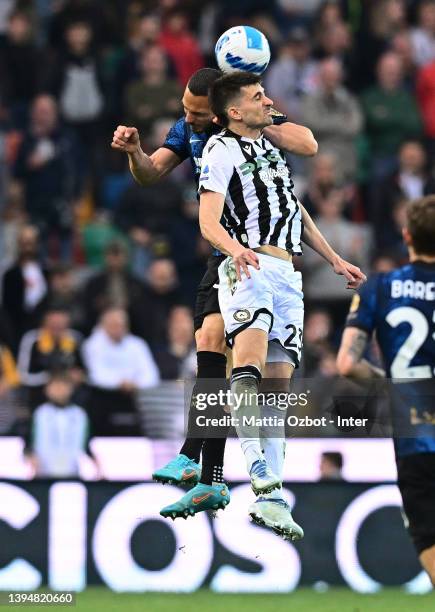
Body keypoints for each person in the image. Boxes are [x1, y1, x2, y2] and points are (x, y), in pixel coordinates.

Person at [111, 67, 318, 518]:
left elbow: (305, 146)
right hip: (226, 252)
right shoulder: (189, 130)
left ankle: (208, 472)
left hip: (253, 252)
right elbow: (149, 174)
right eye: (185, 110)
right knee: (210, 345)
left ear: (221, 114)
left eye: (197, 112)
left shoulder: (250, 130)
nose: (188, 119)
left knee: (232, 360)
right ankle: (206, 472)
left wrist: (265, 120)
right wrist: (134, 153)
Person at [177, 71, 365, 537]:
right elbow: (207, 219)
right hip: (250, 268)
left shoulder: (269, 148)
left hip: (288, 275)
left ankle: (272, 498)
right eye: (258, 96)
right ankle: (258, 470)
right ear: (235, 111)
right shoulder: (221, 150)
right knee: (249, 366)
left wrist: (335, 258)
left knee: (279, 390)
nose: (269, 101)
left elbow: (291, 208)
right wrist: (234, 248)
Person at [336, 195, 435, 585]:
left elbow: (346, 364)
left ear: (407, 234)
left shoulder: (382, 287)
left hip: (417, 437)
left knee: (429, 533)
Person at [82, 307, 159, 436]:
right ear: (103, 325)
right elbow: (96, 375)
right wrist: (120, 382)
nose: (117, 328)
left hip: (134, 399)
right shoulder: (92, 345)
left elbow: (152, 377)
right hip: (104, 400)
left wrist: (134, 384)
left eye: (121, 325)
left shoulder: (138, 344)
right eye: (113, 324)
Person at [29, 373, 95, 478]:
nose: (59, 390)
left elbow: (87, 443)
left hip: (74, 470)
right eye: (55, 386)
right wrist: (30, 457)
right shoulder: (40, 413)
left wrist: (94, 463)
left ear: (71, 389)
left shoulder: (79, 414)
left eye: (63, 386)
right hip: (43, 470)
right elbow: (28, 440)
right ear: (47, 389)